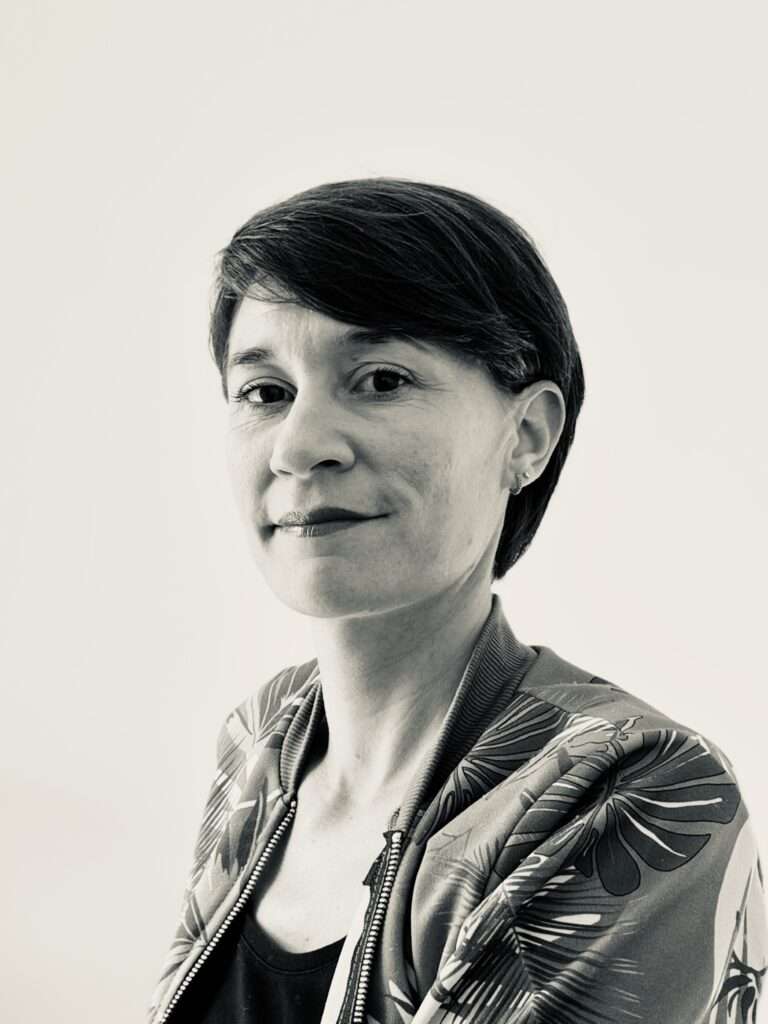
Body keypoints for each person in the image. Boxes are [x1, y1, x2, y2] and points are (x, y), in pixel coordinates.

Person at [148, 179, 766, 1024]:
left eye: (382, 379)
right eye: (265, 392)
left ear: (527, 435)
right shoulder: (262, 741)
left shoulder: (628, 789)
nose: (300, 445)